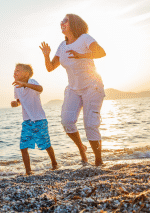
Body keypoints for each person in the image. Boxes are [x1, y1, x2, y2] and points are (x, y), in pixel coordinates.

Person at [39, 14, 106, 166]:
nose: (61, 22)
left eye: (65, 20)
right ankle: (82, 149)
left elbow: (101, 52)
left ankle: (98, 160)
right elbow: (50, 68)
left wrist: (80, 55)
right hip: (74, 89)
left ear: (74, 23)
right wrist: (46, 55)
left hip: (92, 86)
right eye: (61, 20)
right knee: (67, 122)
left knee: (90, 125)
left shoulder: (85, 38)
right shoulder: (62, 46)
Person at [11, 64, 58, 175]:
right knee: (23, 146)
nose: (15, 72)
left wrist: (25, 84)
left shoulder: (32, 82)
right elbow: (19, 101)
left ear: (26, 74)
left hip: (39, 119)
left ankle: (54, 164)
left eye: (18, 70)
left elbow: (40, 89)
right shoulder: (16, 88)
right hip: (27, 121)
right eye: (14, 70)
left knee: (46, 144)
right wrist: (15, 103)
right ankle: (28, 171)